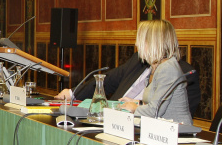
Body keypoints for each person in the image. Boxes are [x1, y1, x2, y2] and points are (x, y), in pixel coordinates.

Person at [55, 50, 200, 116]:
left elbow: (169, 112)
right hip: (110, 119)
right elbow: (107, 79)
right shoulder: (138, 61)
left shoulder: (182, 72)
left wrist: (137, 107)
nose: (137, 44)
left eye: (142, 40)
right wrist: (73, 93)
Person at [116, 20, 193, 123]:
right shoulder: (156, 66)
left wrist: (134, 108)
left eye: (140, 40)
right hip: (161, 128)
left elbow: (156, 111)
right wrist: (136, 103)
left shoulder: (168, 68)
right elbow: (156, 102)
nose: (136, 44)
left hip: (177, 130)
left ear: (153, 43)